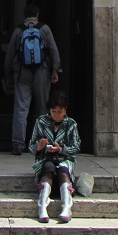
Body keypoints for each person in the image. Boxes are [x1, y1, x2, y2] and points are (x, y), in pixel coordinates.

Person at [4, 3, 61, 156]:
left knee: (21, 108)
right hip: (41, 72)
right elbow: (53, 50)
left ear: (25, 15)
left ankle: (17, 144)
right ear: (37, 15)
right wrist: (55, 70)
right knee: (42, 108)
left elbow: (10, 54)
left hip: (22, 73)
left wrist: (8, 73)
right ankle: (44, 143)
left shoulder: (18, 30)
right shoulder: (44, 29)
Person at [30, 91, 80, 224]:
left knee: (63, 171)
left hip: (64, 159)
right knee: (48, 168)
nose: (57, 115)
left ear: (65, 110)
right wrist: (39, 147)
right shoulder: (41, 122)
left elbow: (76, 147)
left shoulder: (71, 124)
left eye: (60, 111)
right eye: (54, 111)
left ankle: (67, 206)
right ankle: (42, 205)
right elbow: (31, 145)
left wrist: (61, 149)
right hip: (46, 158)